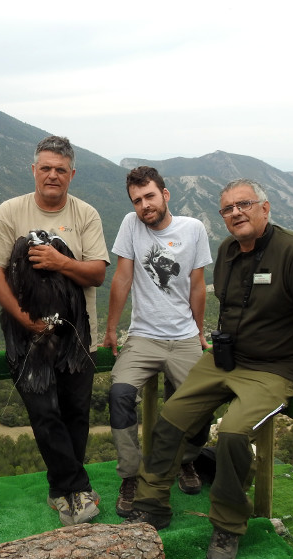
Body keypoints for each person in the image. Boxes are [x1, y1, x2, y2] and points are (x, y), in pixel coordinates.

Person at [124, 178, 293, 559]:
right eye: (228, 209)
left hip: (274, 368)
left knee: (234, 434)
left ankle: (228, 525)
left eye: (245, 204)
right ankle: (152, 505)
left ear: (264, 208)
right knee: (170, 418)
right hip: (225, 357)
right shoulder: (227, 250)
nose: (236, 213)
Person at [0, 135, 109, 526]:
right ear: (34, 171)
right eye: (46, 168)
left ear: (71, 174)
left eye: (61, 169)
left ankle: (62, 491)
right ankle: (80, 488)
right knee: (44, 413)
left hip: (76, 335)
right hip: (25, 337)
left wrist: (59, 261)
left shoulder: (85, 214)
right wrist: (22, 318)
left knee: (75, 412)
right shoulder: (10, 211)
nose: (53, 175)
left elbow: (97, 272)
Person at [103, 166, 213, 518]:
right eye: (137, 200)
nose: (144, 205)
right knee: (120, 394)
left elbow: (197, 285)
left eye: (149, 196)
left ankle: (185, 461)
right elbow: (122, 278)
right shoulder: (131, 225)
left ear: (165, 195)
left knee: (203, 403)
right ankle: (131, 476)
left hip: (183, 336)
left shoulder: (193, 229)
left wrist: (199, 330)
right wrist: (111, 328)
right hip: (144, 335)